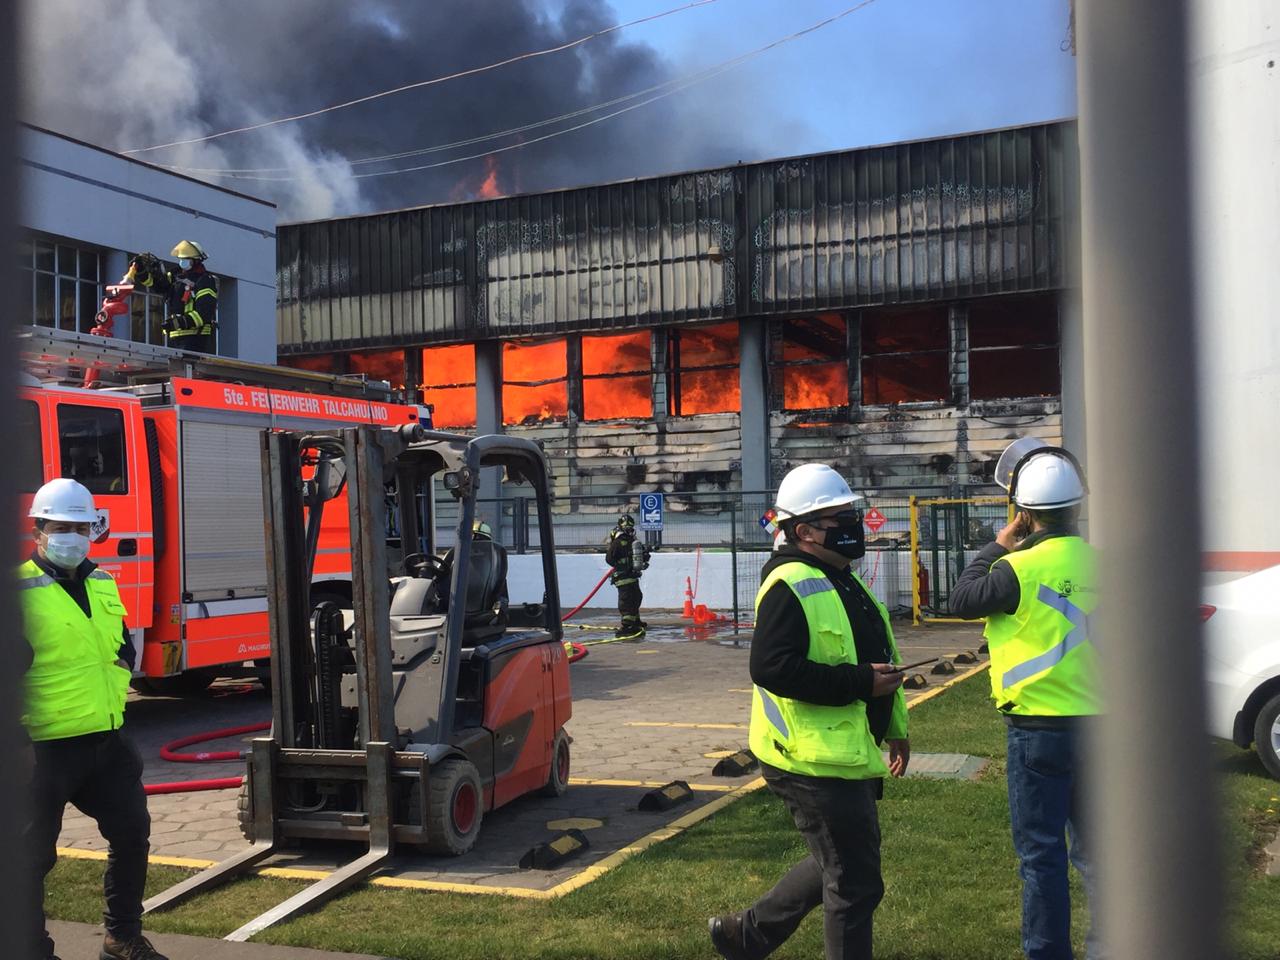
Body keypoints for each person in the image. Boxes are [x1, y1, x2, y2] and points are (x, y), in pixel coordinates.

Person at [710, 464, 909, 960]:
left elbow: (877, 655)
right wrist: (860, 683)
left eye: (851, 513)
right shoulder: (790, 583)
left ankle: (744, 936)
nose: (852, 524)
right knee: (856, 882)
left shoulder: (840, 576)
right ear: (803, 531)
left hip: (843, 752)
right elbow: (772, 668)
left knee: (837, 862)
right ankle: (747, 936)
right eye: (838, 517)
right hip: (810, 761)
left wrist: (896, 727)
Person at [949, 439, 1101, 960]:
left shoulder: (1015, 571)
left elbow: (961, 598)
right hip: (1101, 728)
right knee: (1098, 856)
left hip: (1036, 732)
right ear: (1079, 507)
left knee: (1041, 857)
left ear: (1024, 514)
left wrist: (997, 546)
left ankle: (1047, 954)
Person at [19, 479, 168, 960]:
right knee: (29, 859)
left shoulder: (103, 582)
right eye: (61, 527)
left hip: (106, 742)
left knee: (132, 834)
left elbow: (120, 646)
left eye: (81, 527)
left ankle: (121, 937)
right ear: (38, 530)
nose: (72, 536)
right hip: (39, 749)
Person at [134, 240, 218, 354]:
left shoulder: (205, 280)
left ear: (196, 261)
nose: (182, 262)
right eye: (181, 259)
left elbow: (204, 313)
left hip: (196, 339)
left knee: (188, 370)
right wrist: (141, 271)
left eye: (186, 259)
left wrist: (179, 322)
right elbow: (157, 285)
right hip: (173, 337)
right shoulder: (175, 276)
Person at [606, 513, 647, 639]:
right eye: (627, 527)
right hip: (623, 577)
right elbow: (609, 559)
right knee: (626, 600)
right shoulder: (617, 543)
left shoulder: (633, 542)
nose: (629, 529)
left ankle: (635, 622)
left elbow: (643, 555)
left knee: (636, 597)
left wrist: (644, 558)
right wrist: (622, 567)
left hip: (632, 576)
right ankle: (626, 626)